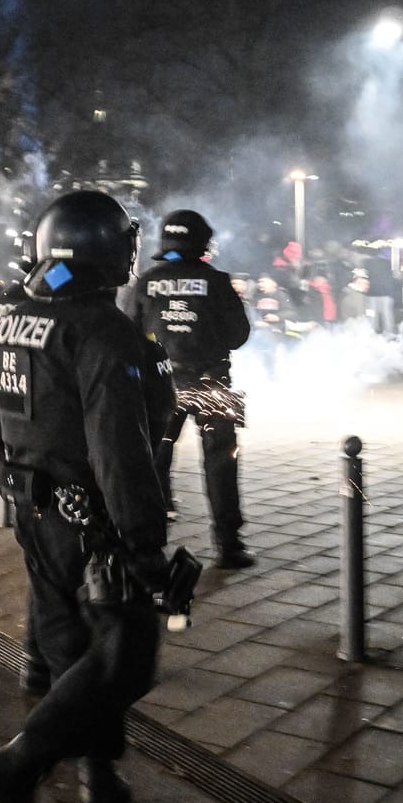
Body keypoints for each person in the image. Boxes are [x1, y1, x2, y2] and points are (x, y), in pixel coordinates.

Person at [0, 190, 173, 803]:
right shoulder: (101, 330)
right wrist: (141, 541)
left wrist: (14, 482)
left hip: (34, 508)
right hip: (96, 519)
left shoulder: (4, 316)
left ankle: (98, 783)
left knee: (71, 652)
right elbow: (120, 446)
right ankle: (14, 765)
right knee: (126, 657)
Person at [128, 210, 255, 570]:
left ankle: (151, 538)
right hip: (211, 381)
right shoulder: (216, 282)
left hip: (160, 382)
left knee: (155, 458)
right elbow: (238, 335)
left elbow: (129, 334)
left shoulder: (147, 282)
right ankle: (229, 546)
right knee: (221, 460)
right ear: (202, 242)